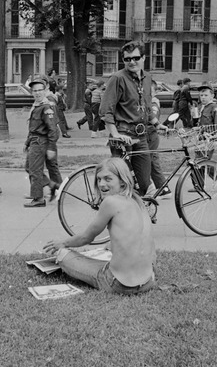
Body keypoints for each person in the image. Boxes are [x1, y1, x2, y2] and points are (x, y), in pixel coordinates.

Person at [42, 158, 156, 294]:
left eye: (108, 179)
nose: (102, 184)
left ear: (122, 181)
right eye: (99, 179)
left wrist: (62, 243)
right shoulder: (138, 200)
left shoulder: (110, 202)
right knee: (105, 255)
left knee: (63, 255)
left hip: (120, 284)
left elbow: (86, 238)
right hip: (149, 281)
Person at [99, 40, 155, 196]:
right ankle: (115, 213)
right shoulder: (117, 78)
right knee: (122, 181)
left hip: (141, 136)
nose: (132, 62)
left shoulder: (148, 78)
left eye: (136, 58)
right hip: (123, 134)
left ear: (143, 58)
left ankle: (135, 209)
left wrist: (157, 124)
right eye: (127, 59)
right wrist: (115, 134)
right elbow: (105, 111)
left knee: (144, 182)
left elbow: (146, 105)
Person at [24, 77, 61, 207]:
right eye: (34, 91)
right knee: (30, 167)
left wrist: (51, 147)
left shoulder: (46, 108)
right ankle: (52, 186)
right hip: (35, 140)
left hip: (41, 141)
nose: (37, 93)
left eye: (40, 90)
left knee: (34, 169)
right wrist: (27, 142)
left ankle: (38, 198)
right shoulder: (37, 106)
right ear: (31, 92)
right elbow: (33, 128)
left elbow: (52, 129)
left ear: (45, 91)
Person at [146, 93, 170, 198]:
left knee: (151, 161)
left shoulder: (153, 104)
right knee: (151, 161)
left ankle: (163, 188)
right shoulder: (148, 102)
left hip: (150, 136)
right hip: (148, 135)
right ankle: (163, 188)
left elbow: (151, 119)